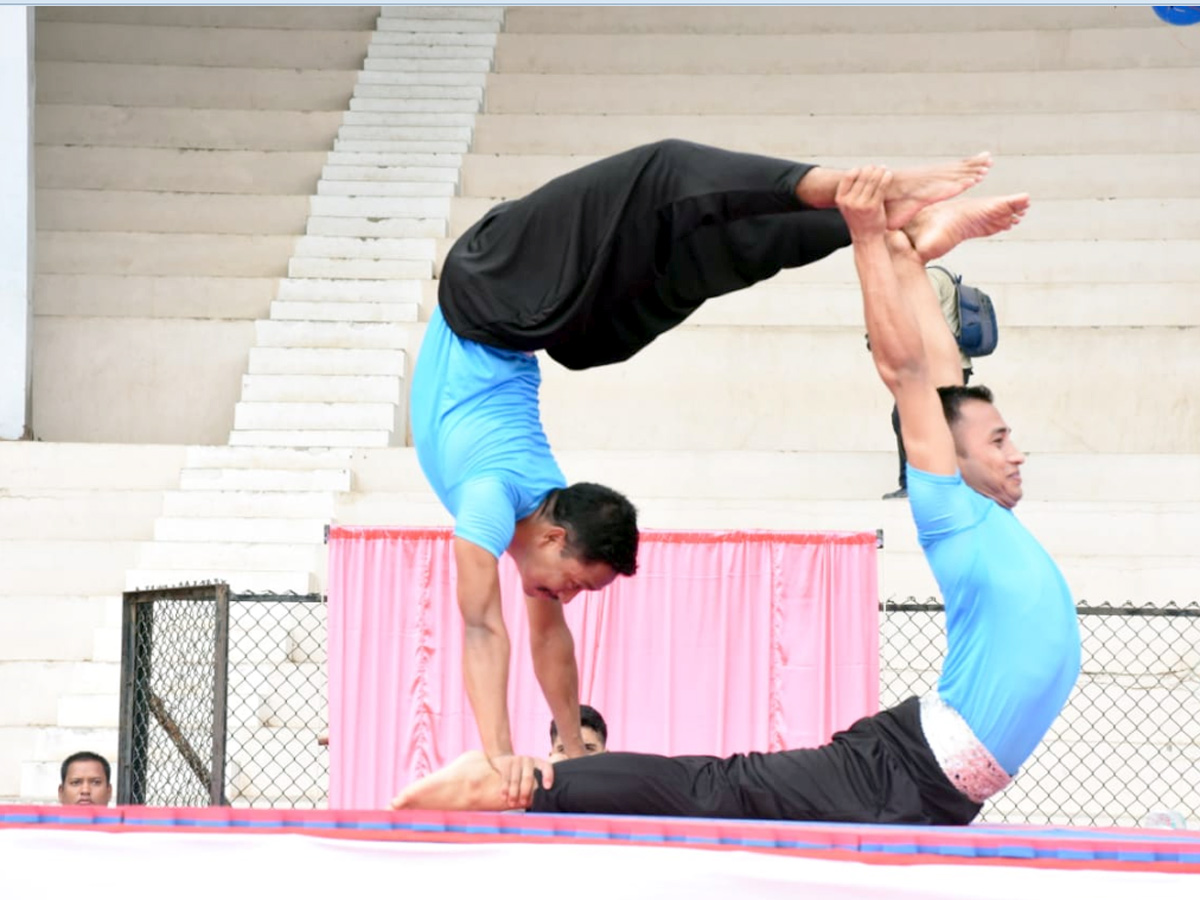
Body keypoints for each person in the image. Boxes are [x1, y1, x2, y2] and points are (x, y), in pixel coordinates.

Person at [391, 167, 1082, 825]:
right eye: (998, 441)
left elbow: (939, 386)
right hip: (481, 301)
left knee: (659, 222)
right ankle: (510, 787)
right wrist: (505, 760)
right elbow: (910, 378)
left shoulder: (981, 509)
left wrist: (909, 259)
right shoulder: (953, 512)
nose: (1016, 451)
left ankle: (899, 231)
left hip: (503, 330)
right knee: (721, 790)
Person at [882, 265, 976, 500]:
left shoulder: (929, 278)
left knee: (905, 418)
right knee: (941, 421)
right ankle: (947, 481)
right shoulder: (939, 275)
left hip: (936, 365)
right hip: (950, 364)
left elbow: (921, 321)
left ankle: (914, 483)